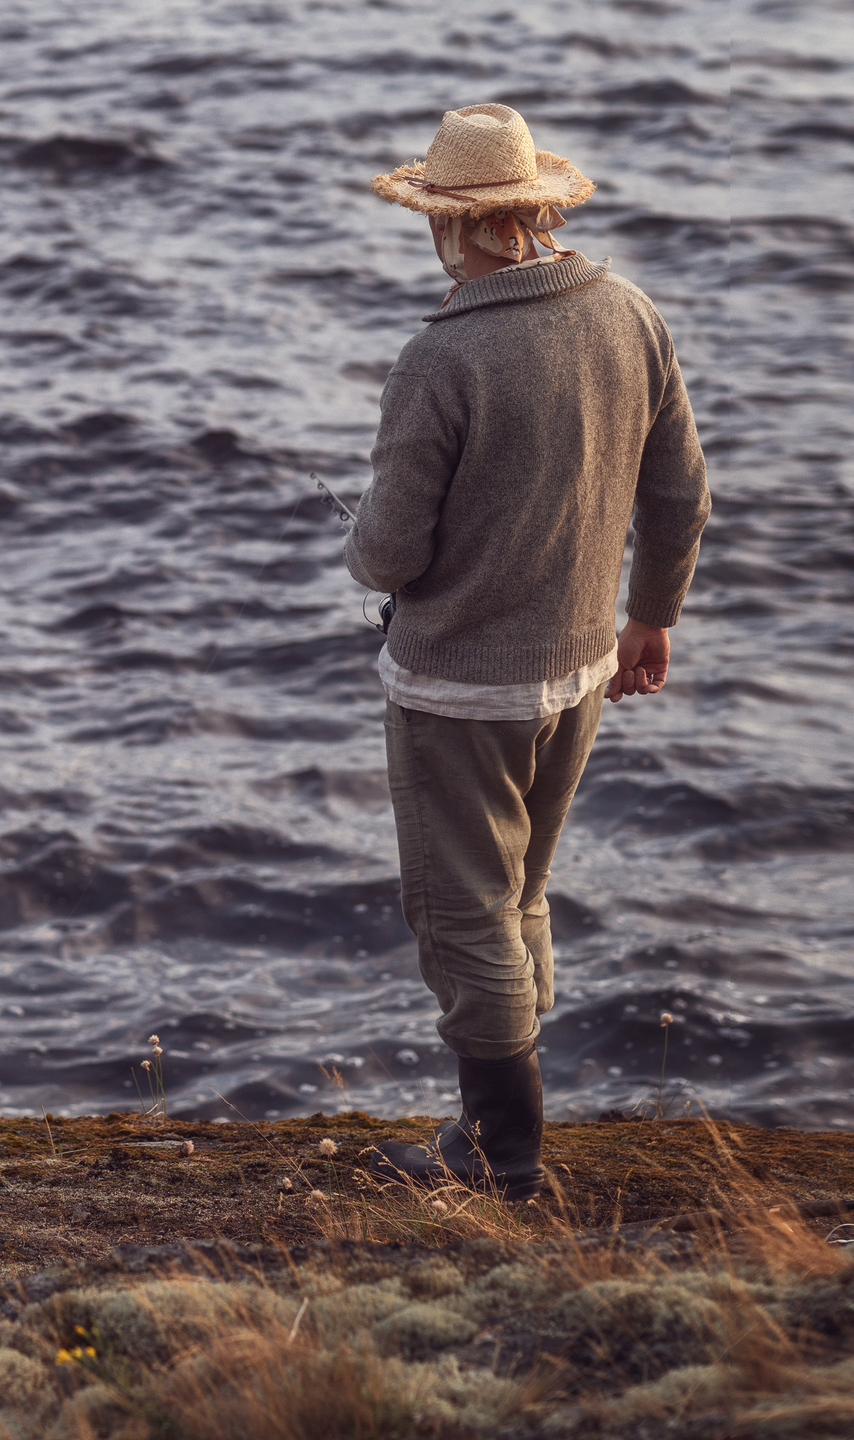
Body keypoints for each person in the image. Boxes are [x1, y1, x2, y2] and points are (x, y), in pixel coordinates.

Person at [345, 104, 710, 1200]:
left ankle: (500, 1161)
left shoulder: (440, 358)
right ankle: (495, 1129)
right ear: (539, 212)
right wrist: (651, 616)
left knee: (464, 914)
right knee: (522, 892)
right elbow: (680, 492)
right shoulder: (629, 315)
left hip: (459, 690)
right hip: (582, 668)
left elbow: (388, 554)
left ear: (464, 231)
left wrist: (361, 543)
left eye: (435, 222)